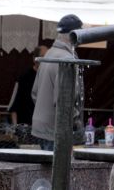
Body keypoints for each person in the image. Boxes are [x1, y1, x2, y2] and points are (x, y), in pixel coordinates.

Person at [32, 15, 83, 151]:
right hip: (55, 131)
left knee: (45, 164)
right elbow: (64, 100)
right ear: (73, 35)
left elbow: (35, 93)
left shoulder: (49, 54)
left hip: (41, 127)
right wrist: (76, 123)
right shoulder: (67, 59)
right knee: (57, 165)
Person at [8, 45, 49, 128]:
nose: (46, 60)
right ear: (34, 59)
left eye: (48, 57)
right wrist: (16, 129)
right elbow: (14, 106)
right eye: (43, 57)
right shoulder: (24, 78)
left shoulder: (50, 78)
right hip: (26, 127)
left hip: (44, 127)